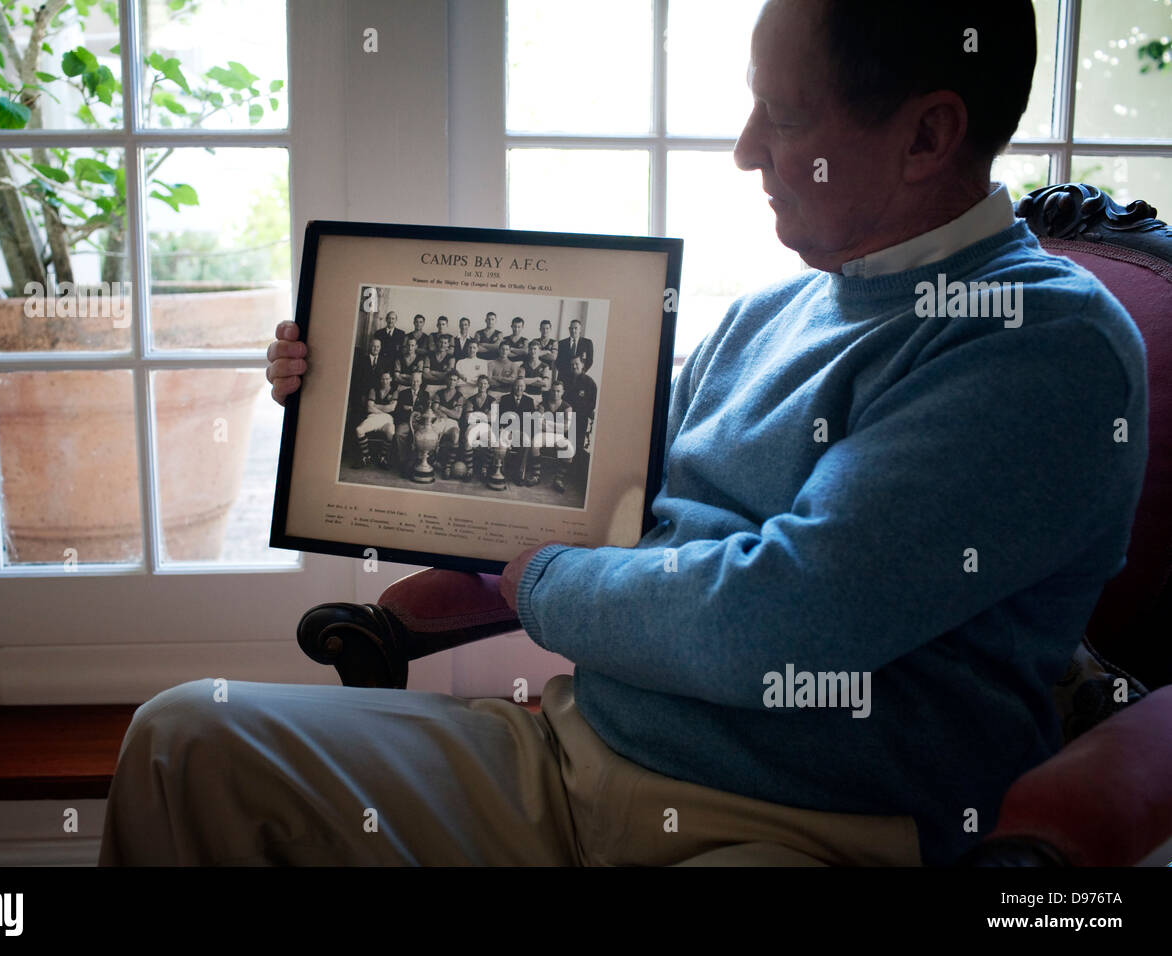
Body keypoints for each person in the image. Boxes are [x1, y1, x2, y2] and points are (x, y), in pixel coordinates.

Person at [108, 0, 1148, 869]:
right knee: (182, 737)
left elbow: (780, 618)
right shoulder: (770, 312)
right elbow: (578, 492)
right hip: (574, 751)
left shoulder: (1039, 343)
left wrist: (545, 583)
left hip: (795, 824)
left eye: (780, 117)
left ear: (926, 135)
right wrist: (342, 401)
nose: (746, 149)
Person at [351, 371, 399, 469]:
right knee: (359, 430)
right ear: (380, 380)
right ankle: (366, 456)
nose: (384, 381)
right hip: (373, 417)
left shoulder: (394, 391)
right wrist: (384, 409)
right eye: (382, 379)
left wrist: (376, 406)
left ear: (391, 379)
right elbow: (369, 408)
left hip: (387, 419)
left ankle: (382, 457)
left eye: (387, 379)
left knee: (391, 432)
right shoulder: (373, 390)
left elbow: (392, 408)